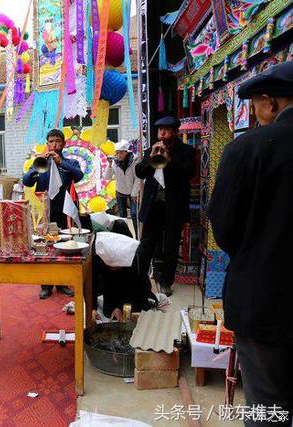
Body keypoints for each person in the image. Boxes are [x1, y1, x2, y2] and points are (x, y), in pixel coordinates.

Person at [207, 61, 293, 425]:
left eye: (256, 105)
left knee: (268, 407)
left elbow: (224, 228)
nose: (255, 114)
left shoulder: (247, 149)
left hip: (264, 301)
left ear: (270, 103)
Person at [135, 116, 195, 296]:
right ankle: (140, 278)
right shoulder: (152, 150)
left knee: (170, 246)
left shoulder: (187, 151)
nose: (161, 133)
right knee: (147, 244)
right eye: (160, 129)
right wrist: (150, 157)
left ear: (175, 132)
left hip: (173, 207)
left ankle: (166, 282)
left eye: (166, 130)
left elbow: (189, 173)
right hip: (153, 206)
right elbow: (140, 173)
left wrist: (169, 160)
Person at [23, 128, 84, 299]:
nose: (54, 144)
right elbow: (26, 181)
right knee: (45, 248)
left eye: (57, 141)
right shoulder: (42, 163)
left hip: (65, 211)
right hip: (45, 212)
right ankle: (46, 285)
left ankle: (63, 283)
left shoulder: (71, 163)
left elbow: (79, 176)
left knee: (64, 247)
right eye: (51, 141)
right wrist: (36, 166)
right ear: (47, 143)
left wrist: (61, 163)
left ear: (63, 144)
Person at [91, 231, 156, 322]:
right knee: (109, 312)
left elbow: (137, 287)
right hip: (111, 291)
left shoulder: (136, 260)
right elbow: (94, 283)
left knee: (137, 313)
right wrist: (92, 308)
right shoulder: (99, 256)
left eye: (116, 267)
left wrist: (121, 307)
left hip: (133, 292)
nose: (114, 268)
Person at [105, 140, 141, 237]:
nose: (119, 155)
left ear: (126, 152)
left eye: (121, 153)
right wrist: (109, 165)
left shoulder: (133, 161)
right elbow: (107, 177)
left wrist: (134, 193)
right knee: (122, 216)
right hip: (120, 191)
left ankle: (137, 236)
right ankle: (126, 236)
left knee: (134, 215)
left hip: (132, 191)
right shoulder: (114, 162)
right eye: (117, 153)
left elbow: (138, 178)